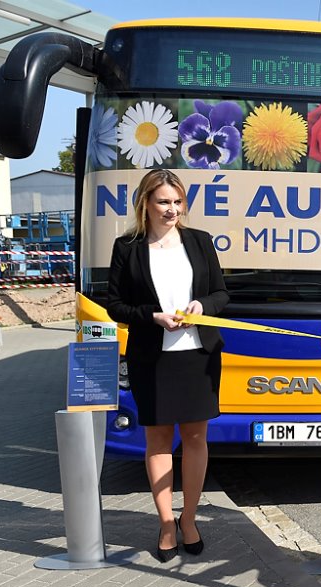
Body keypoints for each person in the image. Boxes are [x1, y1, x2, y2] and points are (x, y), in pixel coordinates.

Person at [107, 168, 228, 562]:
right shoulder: (127, 247)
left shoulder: (200, 241)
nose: (172, 209)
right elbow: (115, 305)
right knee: (158, 441)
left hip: (199, 357)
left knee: (196, 439)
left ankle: (189, 518)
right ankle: (164, 523)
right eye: (163, 201)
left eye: (178, 202)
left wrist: (202, 307)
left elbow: (221, 294)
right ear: (145, 203)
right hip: (152, 359)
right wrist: (152, 316)